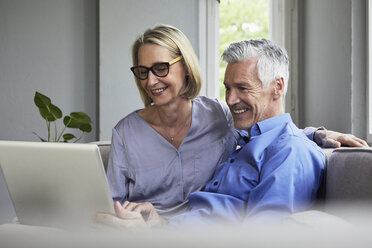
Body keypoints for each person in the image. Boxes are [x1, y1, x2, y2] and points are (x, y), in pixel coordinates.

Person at [106, 24, 368, 220]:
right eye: (142, 72)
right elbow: (269, 132)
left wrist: (311, 136)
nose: (231, 100)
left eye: (161, 68)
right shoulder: (126, 133)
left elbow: (280, 140)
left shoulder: (223, 118)